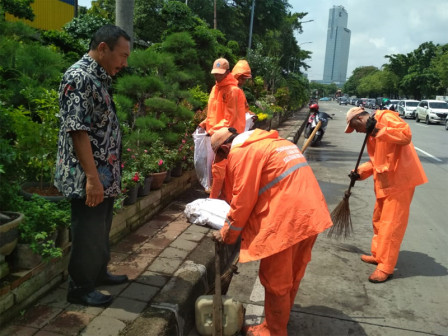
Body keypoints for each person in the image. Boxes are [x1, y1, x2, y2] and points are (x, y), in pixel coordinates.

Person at [211, 127, 333, 336]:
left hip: (286, 223)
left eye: (222, 156)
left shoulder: (241, 152)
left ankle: (273, 331)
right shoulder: (276, 142)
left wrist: (227, 234)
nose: (225, 160)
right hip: (311, 216)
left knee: (275, 282)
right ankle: (280, 320)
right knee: (292, 276)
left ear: (225, 147)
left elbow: (242, 201)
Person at [55, 25, 131, 306]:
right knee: (88, 231)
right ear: (103, 49)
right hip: (88, 176)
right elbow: (78, 130)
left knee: (100, 227)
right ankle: (79, 289)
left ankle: (97, 273)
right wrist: (92, 179)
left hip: (104, 174)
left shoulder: (99, 76)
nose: (124, 63)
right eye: (122, 56)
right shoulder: (79, 77)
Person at [345, 107, 427, 283]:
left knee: (391, 226)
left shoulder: (385, 117)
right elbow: (377, 161)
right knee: (379, 220)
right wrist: (359, 172)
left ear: (359, 119)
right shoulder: (371, 135)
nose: (357, 132)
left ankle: (386, 267)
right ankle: (378, 254)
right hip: (385, 184)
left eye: (355, 127)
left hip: (400, 182)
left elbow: (405, 136)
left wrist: (377, 129)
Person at [198, 58, 247, 199]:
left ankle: (217, 199)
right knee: (217, 169)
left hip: (228, 135)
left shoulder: (233, 91)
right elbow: (214, 112)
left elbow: (229, 119)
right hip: (215, 134)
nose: (217, 76)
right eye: (215, 73)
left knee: (220, 169)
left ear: (228, 72)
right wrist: (205, 122)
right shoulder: (215, 88)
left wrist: (212, 130)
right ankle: (218, 197)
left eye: (220, 73)